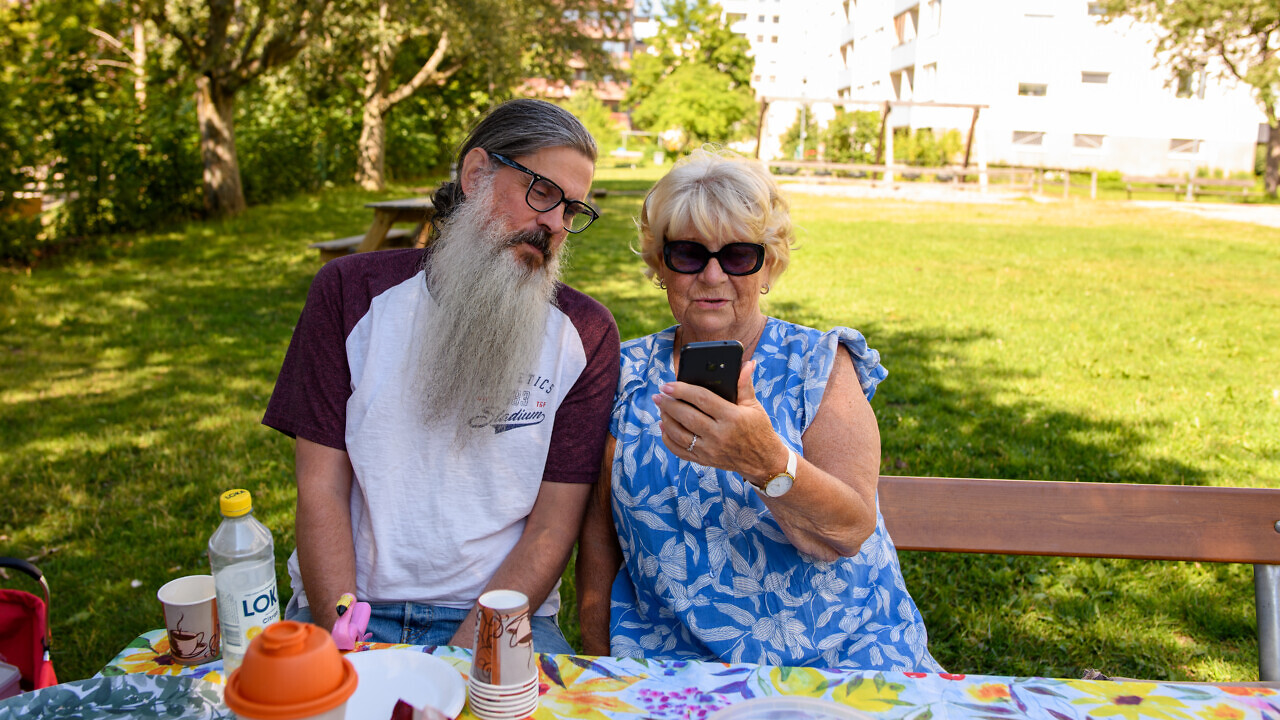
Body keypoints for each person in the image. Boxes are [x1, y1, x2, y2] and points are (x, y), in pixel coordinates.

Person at [263, 99, 620, 654]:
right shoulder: (349, 293)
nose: (554, 223)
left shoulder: (586, 334)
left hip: (502, 612)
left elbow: (554, 526)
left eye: (572, 210)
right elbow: (319, 488)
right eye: (543, 192)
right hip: (352, 605)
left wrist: (463, 653)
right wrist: (344, 632)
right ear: (476, 174)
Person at [576, 149, 942, 671]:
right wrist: (599, 667)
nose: (712, 275)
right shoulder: (624, 372)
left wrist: (765, 461)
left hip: (845, 658)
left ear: (769, 264)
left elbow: (850, 530)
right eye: (688, 254)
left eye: (738, 256)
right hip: (673, 666)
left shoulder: (819, 364)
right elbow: (598, 536)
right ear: (660, 266)